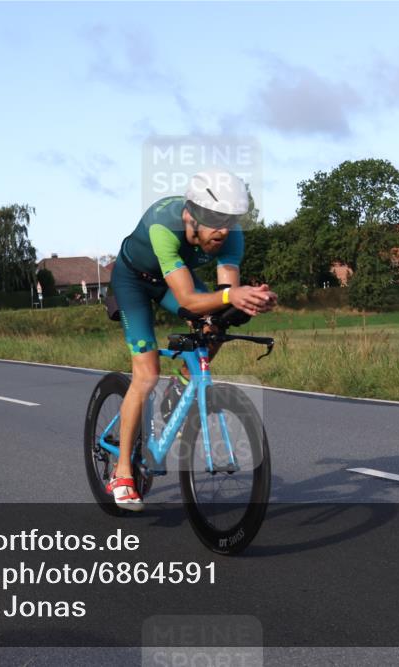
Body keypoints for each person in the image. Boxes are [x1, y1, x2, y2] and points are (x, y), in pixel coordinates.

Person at [106, 170, 277, 510]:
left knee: (216, 325)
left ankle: (179, 390)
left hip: (171, 281)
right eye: (214, 219)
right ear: (190, 215)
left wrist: (251, 301)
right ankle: (122, 471)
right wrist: (231, 298)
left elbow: (225, 297)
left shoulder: (231, 237)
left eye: (229, 219)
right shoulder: (163, 225)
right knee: (147, 374)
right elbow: (186, 299)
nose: (223, 229)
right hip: (134, 282)